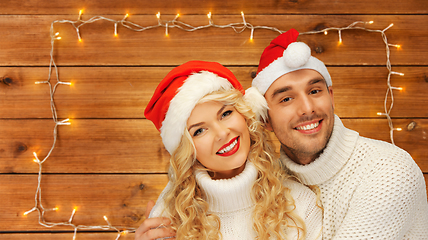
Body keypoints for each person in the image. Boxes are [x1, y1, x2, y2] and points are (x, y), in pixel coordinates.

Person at [251, 28, 428, 239]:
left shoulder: (389, 170)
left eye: (314, 91)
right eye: (286, 99)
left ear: (331, 97)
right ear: (265, 119)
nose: (307, 108)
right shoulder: (270, 184)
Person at [136, 60, 322, 240]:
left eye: (225, 114)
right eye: (199, 131)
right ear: (187, 150)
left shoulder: (300, 204)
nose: (222, 133)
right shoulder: (169, 219)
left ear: (245, 116)